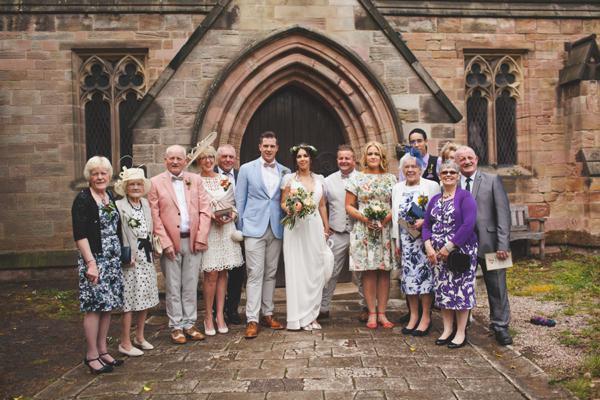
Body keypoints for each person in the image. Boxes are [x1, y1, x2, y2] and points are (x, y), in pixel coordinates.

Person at [148, 145, 211, 344]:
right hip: (170, 243)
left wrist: (201, 237)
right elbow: (154, 216)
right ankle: (176, 327)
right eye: (171, 158)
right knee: (174, 286)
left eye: (179, 158)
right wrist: (165, 243)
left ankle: (190, 324)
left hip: (193, 241)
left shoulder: (196, 180)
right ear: (165, 160)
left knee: (191, 285)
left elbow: (205, 210)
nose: (175, 162)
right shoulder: (154, 183)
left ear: (186, 161)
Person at [455, 146, 513, 346]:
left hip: (491, 245)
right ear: (457, 162)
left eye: (469, 158)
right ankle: (462, 326)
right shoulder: (453, 183)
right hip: (462, 246)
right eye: (462, 159)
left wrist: (503, 243)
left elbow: (503, 214)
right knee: (461, 286)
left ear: (477, 159)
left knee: (497, 286)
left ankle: (500, 326)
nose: (466, 162)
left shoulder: (492, 180)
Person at [71, 156, 124, 374]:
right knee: (94, 307)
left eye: (103, 173)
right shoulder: (83, 199)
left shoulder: (108, 195)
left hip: (112, 260)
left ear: (109, 175)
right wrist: (90, 263)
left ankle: (103, 351)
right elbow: (80, 234)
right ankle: (91, 354)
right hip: (95, 260)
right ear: (89, 177)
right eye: (95, 173)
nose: (100, 177)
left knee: (107, 305)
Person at [235, 131, 287, 339]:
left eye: (272, 146)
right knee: (255, 273)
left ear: (277, 148)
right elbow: (240, 200)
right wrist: (240, 229)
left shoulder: (285, 171)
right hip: (253, 228)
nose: (268, 149)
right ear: (259, 147)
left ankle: (268, 313)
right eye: (265, 145)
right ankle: (252, 319)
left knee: (271, 273)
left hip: (276, 227)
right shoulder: (247, 169)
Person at [422, 160, 478, 349]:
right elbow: (427, 225)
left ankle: (461, 332)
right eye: (444, 172)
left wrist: (450, 246)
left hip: (460, 252)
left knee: (461, 292)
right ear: (439, 175)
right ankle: (446, 330)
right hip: (438, 255)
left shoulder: (465, 197)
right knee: (444, 291)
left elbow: (468, 224)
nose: (448, 174)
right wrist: (428, 246)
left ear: (458, 175)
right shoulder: (435, 200)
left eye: (452, 172)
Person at [345, 141, 397, 329]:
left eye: (376, 153)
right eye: (369, 153)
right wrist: (364, 217)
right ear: (365, 157)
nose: (373, 157)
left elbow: (395, 204)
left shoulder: (391, 179)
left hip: (385, 228)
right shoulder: (356, 178)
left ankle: (383, 314)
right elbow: (349, 205)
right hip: (364, 229)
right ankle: (371, 314)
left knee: (384, 272)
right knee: (368, 272)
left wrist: (385, 219)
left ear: (382, 157)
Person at [196, 145, 244, 335]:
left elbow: (233, 205)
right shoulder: (195, 181)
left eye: (210, 157)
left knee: (224, 272)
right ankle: (208, 316)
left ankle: (220, 316)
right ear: (198, 162)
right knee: (211, 274)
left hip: (226, 230)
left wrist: (231, 216)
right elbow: (194, 208)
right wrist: (210, 217)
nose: (207, 161)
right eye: (203, 158)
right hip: (209, 231)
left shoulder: (225, 180)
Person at [280, 144, 329, 330]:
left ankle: (312, 315)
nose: (302, 159)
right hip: (296, 228)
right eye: (299, 156)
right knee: (297, 270)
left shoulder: (319, 179)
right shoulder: (289, 179)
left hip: (314, 227)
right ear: (295, 159)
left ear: (311, 159)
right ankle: (299, 318)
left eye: (305, 156)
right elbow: (283, 203)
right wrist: (292, 209)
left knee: (315, 269)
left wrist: (326, 227)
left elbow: (322, 205)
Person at [391, 153, 441, 336]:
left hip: (425, 242)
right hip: (406, 242)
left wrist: (424, 221)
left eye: (414, 167)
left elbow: (437, 212)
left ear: (421, 169)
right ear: (402, 170)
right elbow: (397, 217)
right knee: (409, 281)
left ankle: (426, 317)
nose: (410, 170)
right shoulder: (397, 188)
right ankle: (413, 316)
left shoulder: (432, 186)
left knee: (426, 280)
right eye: (407, 167)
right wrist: (397, 241)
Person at [115, 167, 160, 356]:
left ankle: (139, 337)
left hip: (146, 257)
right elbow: (116, 234)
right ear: (125, 187)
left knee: (145, 298)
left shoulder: (146, 204)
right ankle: (124, 342)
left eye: (139, 184)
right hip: (130, 258)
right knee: (130, 301)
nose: (135, 187)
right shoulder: (119, 206)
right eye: (132, 184)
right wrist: (123, 254)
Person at [319, 145, 366, 321]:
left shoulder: (363, 178)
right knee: (330, 271)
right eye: (340, 158)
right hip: (336, 232)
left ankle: (366, 307)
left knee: (362, 272)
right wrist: (325, 227)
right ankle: (323, 307)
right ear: (337, 160)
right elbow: (321, 205)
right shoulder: (328, 180)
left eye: (347, 158)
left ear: (354, 160)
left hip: (359, 232)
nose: (344, 161)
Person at [214, 144, 243, 325]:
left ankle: (232, 310)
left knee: (237, 272)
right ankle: (215, 311)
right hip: (215, 227)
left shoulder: (241, 175)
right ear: (218, 158)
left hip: (236, 229)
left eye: (231, 157)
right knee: (216, 271)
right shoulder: (210, 176)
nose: (228, 160)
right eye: (224, 156)